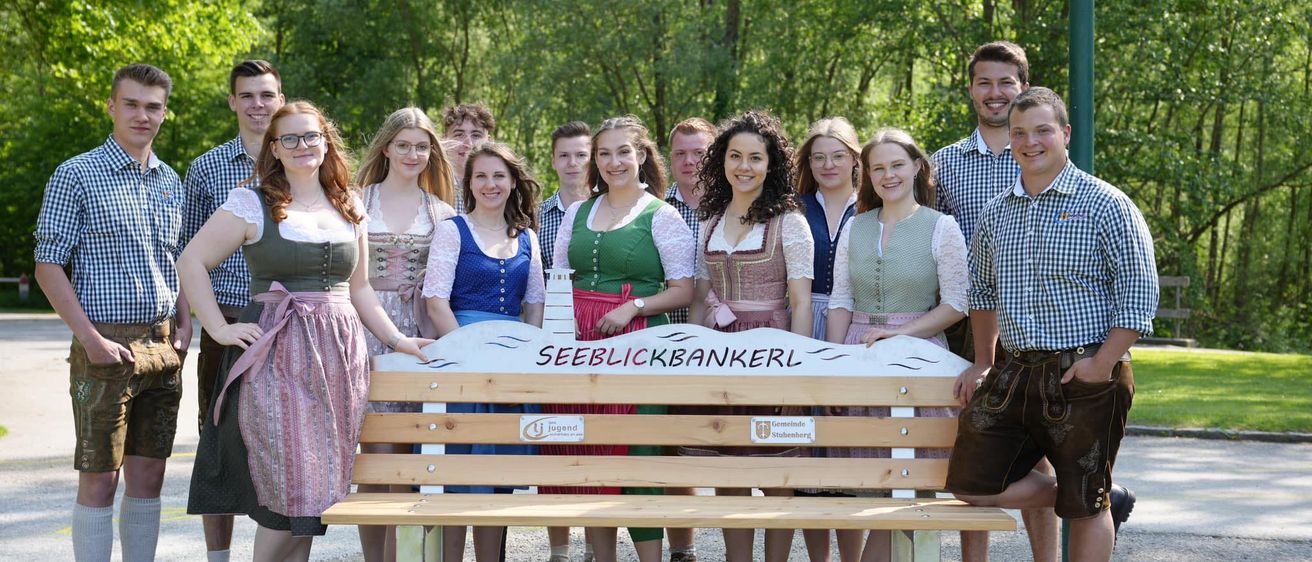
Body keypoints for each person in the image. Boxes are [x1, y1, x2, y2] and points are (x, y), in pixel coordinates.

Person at [180, 101, 429, 562]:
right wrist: (217, 327)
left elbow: (361, 290)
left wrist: (398, 340)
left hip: (339, 356)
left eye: (310, 136)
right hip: (277, 354)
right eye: (289, 138)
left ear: (325, 141)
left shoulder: (349, 203)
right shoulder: (251, 202)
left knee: (319, 492)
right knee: (293, 485)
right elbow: (191, 261)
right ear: (274, 148)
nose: (301, 146)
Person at [946, 87, 1156, 562]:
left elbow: (1139, 293)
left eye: (1042, 130)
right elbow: (980, 291)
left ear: (1064, 133)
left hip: (1084, 371)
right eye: (1019, 133)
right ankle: (1099, 491)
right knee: (971, 487)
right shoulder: (998, 212)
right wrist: (984, 360)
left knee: (1085, 509)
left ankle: (1093, 494)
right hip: (1015, 372)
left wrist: (1102, 363)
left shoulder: (1107, 204)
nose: (1029, 141)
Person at [34, 63, 187, 562]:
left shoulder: (170, 181)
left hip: (163, 348)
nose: (143, 115)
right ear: (112, 106)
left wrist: (185, 323)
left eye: (153, 106)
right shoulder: (76, 174)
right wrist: (91, 340)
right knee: (100, 478)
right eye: (132, 104)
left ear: (164, 112)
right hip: (105, 346)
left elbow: (178, 257)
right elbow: (48, 266)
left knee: (149, 477)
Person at [930, 41, 1063, 561]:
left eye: (1006, 82)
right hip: (967, 323)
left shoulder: (1040, 150)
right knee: (974, 443)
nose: (994, 92)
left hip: (1035, 321)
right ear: (971, 89)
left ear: (1023, 87)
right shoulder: (944, 165)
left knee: (1043, 449)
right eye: (984, 82)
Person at [546, 115, 696, 562]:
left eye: (623, 152)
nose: (614, 162)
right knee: (589, 449)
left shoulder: (662, 216)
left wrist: (634, 306)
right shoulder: (578, 211)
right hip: (579, 344)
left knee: (638, 450)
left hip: (639, 343)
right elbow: (558, 279)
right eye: (605, 153)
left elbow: (684, 289)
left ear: (642, 156)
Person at [824, 128, 970, 562]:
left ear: (917, 167)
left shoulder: (941, 227)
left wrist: (902, 335)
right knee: (871, 481)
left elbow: (957, 304)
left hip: (920, 359)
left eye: (897, 165)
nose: (889, 175)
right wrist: (836, 365)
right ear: (867, 174)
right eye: (879, 167)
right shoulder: (856, 226)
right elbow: (841, 300)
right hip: (860, 357)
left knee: (916, 482)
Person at [686, 110, 814, 562]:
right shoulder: (709, 221)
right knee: (728, 471)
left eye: (755, 158)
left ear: (770, 164)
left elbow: (800, 303)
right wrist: (696, 357)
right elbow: (700, 298)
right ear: (721, 160)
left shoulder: (789, 223)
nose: (744, 166)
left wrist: (795, 376)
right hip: (719, 355)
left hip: (772, 350)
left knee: (779, 473)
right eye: (735, 156)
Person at [180, 59, 285, 562]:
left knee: (288, 435)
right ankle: (219, 556)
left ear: (280, 100)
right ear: (232, 102)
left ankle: (286, 546)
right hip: (227, 316)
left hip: (289, 317)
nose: (258, 105)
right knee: (217, 439)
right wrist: (199, 322)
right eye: (247, 95)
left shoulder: (302, 160)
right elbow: (187, 254)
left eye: (267, 95)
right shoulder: (206, 169)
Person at [423, 141, 546, 561]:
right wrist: (467, 355)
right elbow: (436, 301)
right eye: (481, 176)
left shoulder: (527, 237)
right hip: (462, 360)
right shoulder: (452, 230)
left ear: (513, 182)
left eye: (498, 176)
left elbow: (534, 306)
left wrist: (524, 358)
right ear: (469, 183)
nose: (490, 184)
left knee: (501, 476)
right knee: (458, 472)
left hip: (512, 366)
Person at [353, 106, 458, 562]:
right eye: (404, 145)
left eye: (421, 146)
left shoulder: (442, 211)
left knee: (413, 452)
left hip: (420, 331)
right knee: (375, 453)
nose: (412, 154)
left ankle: (408, 555)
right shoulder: (357, 200)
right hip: (364, 326)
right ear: (387, 147)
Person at [791, 117, 861, 562]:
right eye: (818, 157)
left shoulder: (873, 205)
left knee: (849, 448)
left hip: (855, 325)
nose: (827, 164)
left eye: (837, 155)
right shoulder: (795, 207)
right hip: (804, 320)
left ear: (855, 159)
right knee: (809, 449)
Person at [660, 116, 716, 562]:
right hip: (666, 341)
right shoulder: (657, 208)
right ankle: (684, 547)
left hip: (727, 340)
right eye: (680, 152)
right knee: (671, 443)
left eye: (699, 152)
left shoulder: (736, 204)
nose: (690, 160)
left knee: (737, 442)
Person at [540, 121, 592, 271]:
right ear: (553, 162)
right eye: (564, 155)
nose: (572, 162)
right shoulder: (536, 217)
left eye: (581, 155)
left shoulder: (611, 211)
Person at [441, 103, 496, 213]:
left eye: (476, 135)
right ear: (444, 140)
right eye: (459, 135)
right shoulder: (430, 185)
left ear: (489, 141)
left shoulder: (499, 189)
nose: (469, 144)